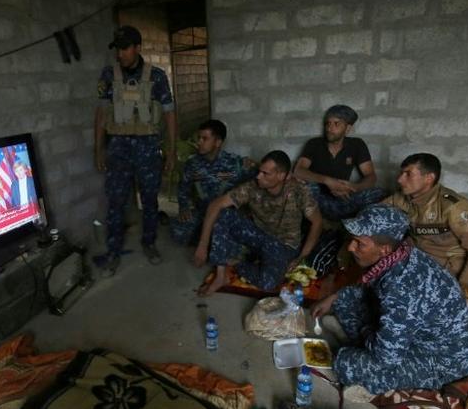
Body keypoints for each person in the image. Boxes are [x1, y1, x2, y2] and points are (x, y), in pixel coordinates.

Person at [310, 204, 468, 395]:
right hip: (419, 334)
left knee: (345, 363)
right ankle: (359, 341)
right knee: (345, 300)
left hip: (443, 361)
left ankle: (356, 348)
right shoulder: (403, 254)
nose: (350, 247)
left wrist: (368, 332)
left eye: (360, 243)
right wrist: (334, 297)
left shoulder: (402, 288)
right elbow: (368, 291)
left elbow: (386, 356)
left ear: (384, 249)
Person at [94, 25, 177, 273]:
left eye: (125, 48)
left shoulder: (157, 76)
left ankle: (149, 242)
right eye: (117, 49)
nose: (120, 54)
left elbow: (170, 115)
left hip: (148, 147)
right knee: (115, 201)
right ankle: (113, 251)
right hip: (117, 148)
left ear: (137, 48)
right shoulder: (108, 75)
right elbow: (101, 114)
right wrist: (98, 148)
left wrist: (171, 150)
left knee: (150, 200)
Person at [193, 151, 323, 295]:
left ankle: (236, 262)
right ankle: (221, 276)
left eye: (265, 173)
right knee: (223, 214)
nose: (258, 176)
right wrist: (203, 245)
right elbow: (216, 204)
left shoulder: (299, 191)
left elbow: (317, 222)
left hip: (284, 244)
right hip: (259, 235)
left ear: (281, 176)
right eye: (260, 171)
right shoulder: (252, 186)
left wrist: (301, 256)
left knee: (268, 282)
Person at [382, 153, 468, 286]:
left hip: (452, 266)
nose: (399, 179)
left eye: (408, 174)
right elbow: (374, 214)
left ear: (429, 178)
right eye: (401, 173)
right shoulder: (401, 198)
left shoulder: (455, 208)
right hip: (423, 261)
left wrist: (461, 291)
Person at [170, 119, 256, 245]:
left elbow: (260, 177)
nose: (199, 142)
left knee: (235, 235)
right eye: (199, 138)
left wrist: (249, 210)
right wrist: (184, 207)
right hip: (201, 211)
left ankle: (211, 238)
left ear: (218, 142)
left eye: (204, 139)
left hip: (224, 215)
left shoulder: (235, 163)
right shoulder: (192, 163)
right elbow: (184, 188)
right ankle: (208, 236)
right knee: (178, 232)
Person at [294, 104, 384, 220]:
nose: (329, 128)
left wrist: (354, 187)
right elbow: (298, 171)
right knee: (307, 187)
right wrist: (327, 181)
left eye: (336, 124)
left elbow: (371, 176)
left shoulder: (357, 145)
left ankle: (349, 224)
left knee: (379, 193)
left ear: (347, 129)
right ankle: (320, 223)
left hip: (344, 199)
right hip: (319, 202)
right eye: (328, 123)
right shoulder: (314, 144)